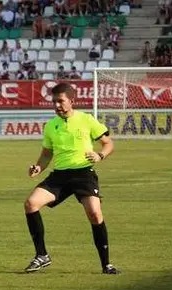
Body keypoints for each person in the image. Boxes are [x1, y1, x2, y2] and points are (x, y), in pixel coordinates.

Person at [24, 82, 119, 275]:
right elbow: (46, 153)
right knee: (31, 203)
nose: (57, 105)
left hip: (83, 173)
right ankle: (42, 255)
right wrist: (38, 167)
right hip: (59, 176)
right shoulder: (51, 126)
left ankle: (106, 264)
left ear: (72, 101)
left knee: (94, 213)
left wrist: (100, 155)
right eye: (54, 102)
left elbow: (108, 143)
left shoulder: (87, 120)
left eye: (61, 101)